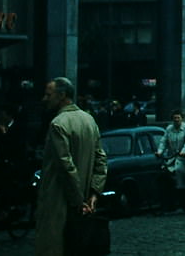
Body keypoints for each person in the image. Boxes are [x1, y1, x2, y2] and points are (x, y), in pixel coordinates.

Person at [36, 77, 108, 256]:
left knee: (56, 247)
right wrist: (93, 194)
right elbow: (101, 160)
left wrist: (79, 201)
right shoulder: (89, 120)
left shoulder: (58, 124)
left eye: (48, 94)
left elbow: (65, 166)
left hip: (60, 202)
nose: (45, 99)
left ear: (61, 95)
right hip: (84, 202)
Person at [155, 109, 185, 207]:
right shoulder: (169, 129)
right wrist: (160, 152)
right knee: (171, 172)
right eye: (175, 118)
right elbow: (163, 141)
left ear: (182, 119)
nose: (176, 120)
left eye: (178, 118)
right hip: (174, 157)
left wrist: (184, 152)